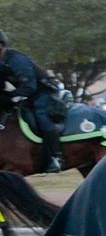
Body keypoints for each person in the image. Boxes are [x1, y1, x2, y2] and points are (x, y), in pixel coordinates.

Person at [0, 29, 67, 170]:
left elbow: (30, 86)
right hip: (27, 95)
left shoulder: (16, 60)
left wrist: (11, 98)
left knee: (41, 115)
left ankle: (56, 157)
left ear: (1, 46)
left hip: (43, 93)